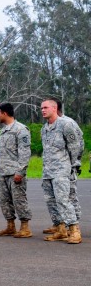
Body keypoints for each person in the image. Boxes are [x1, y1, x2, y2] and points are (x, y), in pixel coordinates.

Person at [40, 98, 82, 244]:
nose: (43, 110)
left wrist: (72, 166)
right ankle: (60, 229)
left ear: (54, 108)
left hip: (62, 170)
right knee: (51, 202)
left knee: (64, 200)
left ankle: (74, 230)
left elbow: (75, 147)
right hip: (48, 171)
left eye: (45, 107)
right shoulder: (44, 128)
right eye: (41, 108)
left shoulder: (66, 124)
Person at [0, 103, 33, 238]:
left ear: (5, 113)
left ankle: (25, 227)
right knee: (4, 200)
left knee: (19, 200)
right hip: (3, 171)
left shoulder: (21, 129)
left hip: (15, 172)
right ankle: (10, 226)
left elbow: (25, 153)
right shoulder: (3, 130)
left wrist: (20, 172)